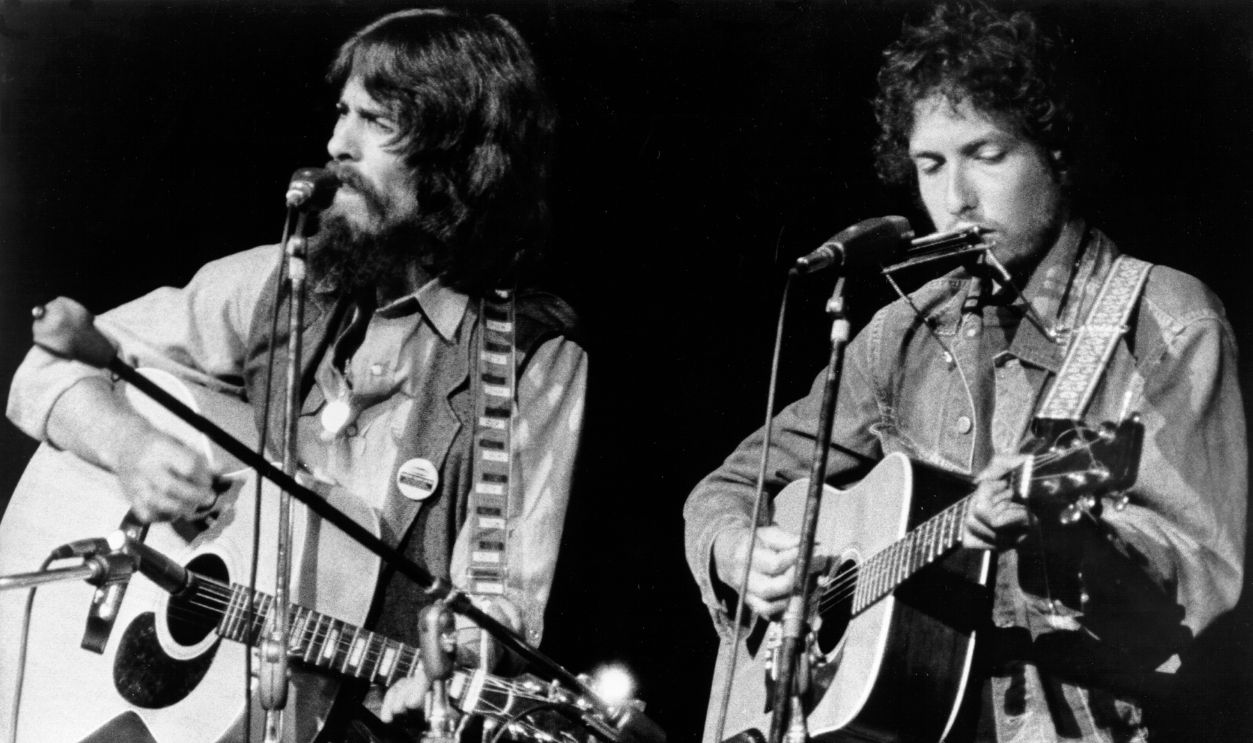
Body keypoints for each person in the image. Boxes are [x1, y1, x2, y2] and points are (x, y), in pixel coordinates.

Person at [5, 7, 585, 740]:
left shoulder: (528, 357)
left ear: (459, 158)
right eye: (342, 111)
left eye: (375, 121)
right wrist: (131, 447)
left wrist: (451, 664)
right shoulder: (271, 285)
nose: (335, 143)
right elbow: (43, 370)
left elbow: (503, 601)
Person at [684, 2, 1245, 741]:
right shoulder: (900, 330)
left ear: (1053, 153)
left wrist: (1056, 544)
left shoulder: (1164, 317)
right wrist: (736, 548)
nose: (955, 199)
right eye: (929, 165)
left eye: (985, 154)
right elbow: (729, 488)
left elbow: (1204, 581)